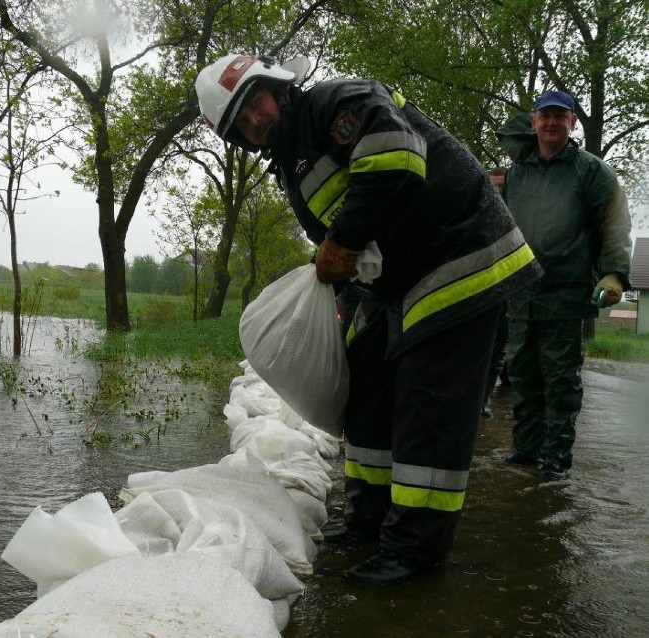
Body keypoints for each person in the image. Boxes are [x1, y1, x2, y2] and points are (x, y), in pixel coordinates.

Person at [195, 54, 542, 586]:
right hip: (396, 282)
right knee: (368, 389)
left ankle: (415, 548)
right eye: (240, 123)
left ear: (277, 90)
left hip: (459, 255)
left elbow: (395, 159)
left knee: (429, 405)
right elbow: (351, 241)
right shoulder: (294, 162)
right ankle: (370, 518)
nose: (254, 121)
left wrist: (342, 241)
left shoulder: (339, 102)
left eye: (254, 105)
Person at [495, 90, 632, 480]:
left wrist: (614, 273)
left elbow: (615, 224)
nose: (552, 122)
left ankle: (555, 459)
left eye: (561, 115)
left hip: (567, 293)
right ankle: (526, 448)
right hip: (523, 294)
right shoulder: (518, 172)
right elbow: (503, 226)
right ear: (534, 122)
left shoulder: (592, 171)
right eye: (545, 115)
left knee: (560, 380)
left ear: (573, 122)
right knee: (522, 374)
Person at [481, 167, 509, 420]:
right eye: (493, 186)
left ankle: (484, 399)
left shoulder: (518, 217)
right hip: (476, 292)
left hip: (505, 293)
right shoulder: (474, 213)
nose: (497, 191)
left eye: (502, 186)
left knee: (496, 349)